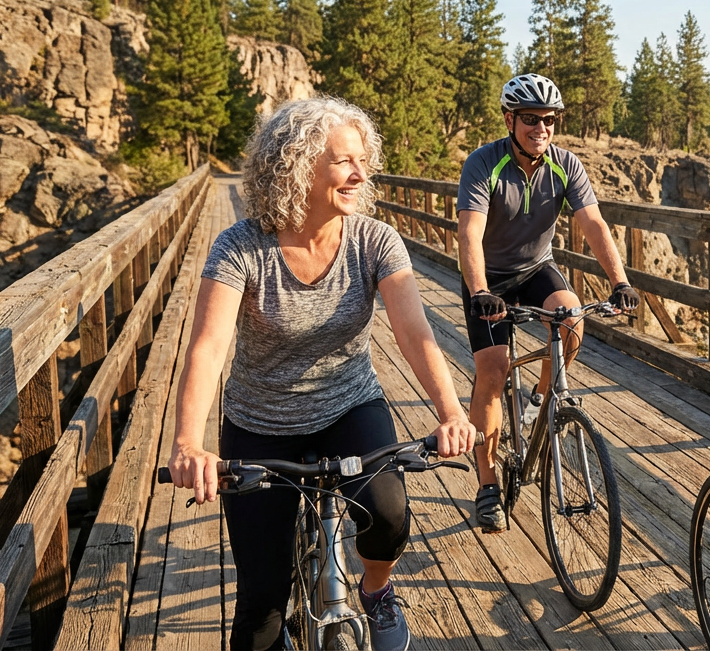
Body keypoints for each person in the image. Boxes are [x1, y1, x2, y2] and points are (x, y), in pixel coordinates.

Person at [166, 97, 475, 651]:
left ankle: (376, 591)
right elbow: (208, 348)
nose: (360, 174)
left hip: (348, 406)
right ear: (297, 166)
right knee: (262, 604)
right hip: (260, 422)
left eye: (363, 161)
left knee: (388, 514)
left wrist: (451, 412)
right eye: (343, 161)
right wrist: (189, 442)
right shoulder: (241, 247)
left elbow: (414, 332)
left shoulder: (373, 240)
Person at [456, 73, 639, 532]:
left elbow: (593, 224)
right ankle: (488, 483)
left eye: (549, 120)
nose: (541, 128)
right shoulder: (483, 164)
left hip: (537, 267)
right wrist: (480, 292)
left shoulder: (564, 164)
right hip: (490, 279)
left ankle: (540, 398)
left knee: (572, 320)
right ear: (510, 120)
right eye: (531, 119)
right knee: (493, 370)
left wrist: (620, 281)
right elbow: (470, 233)